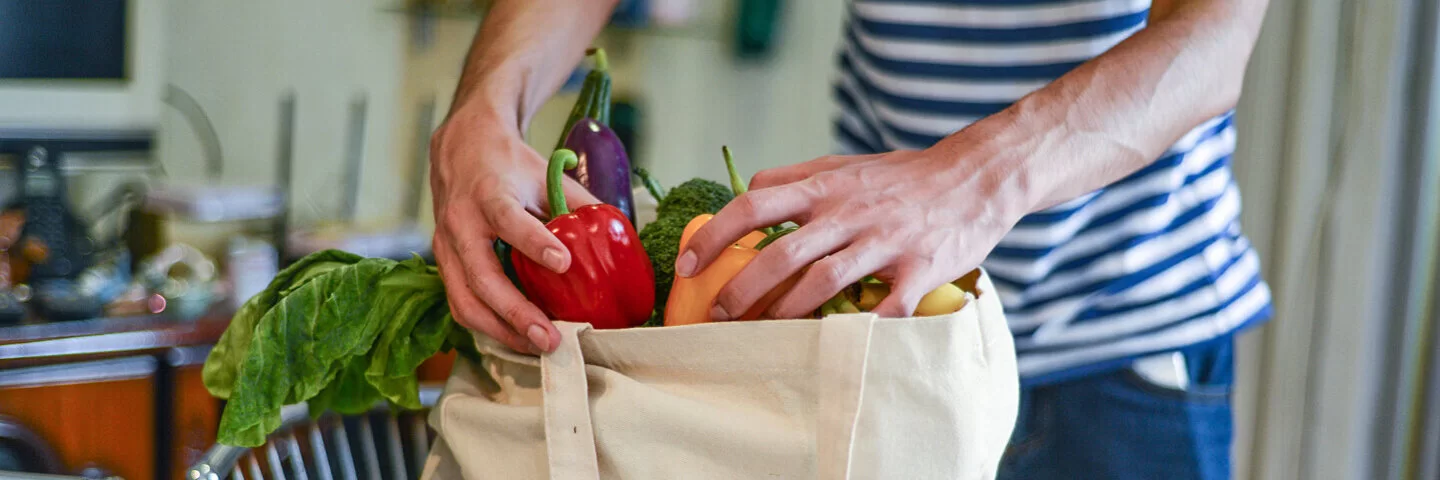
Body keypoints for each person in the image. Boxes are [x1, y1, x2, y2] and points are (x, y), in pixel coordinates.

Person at [428, 0, 1273, 478]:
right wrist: (483, 108)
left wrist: (969, 181)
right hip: (871, 357)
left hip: (1122, 352)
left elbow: (1214, 38)